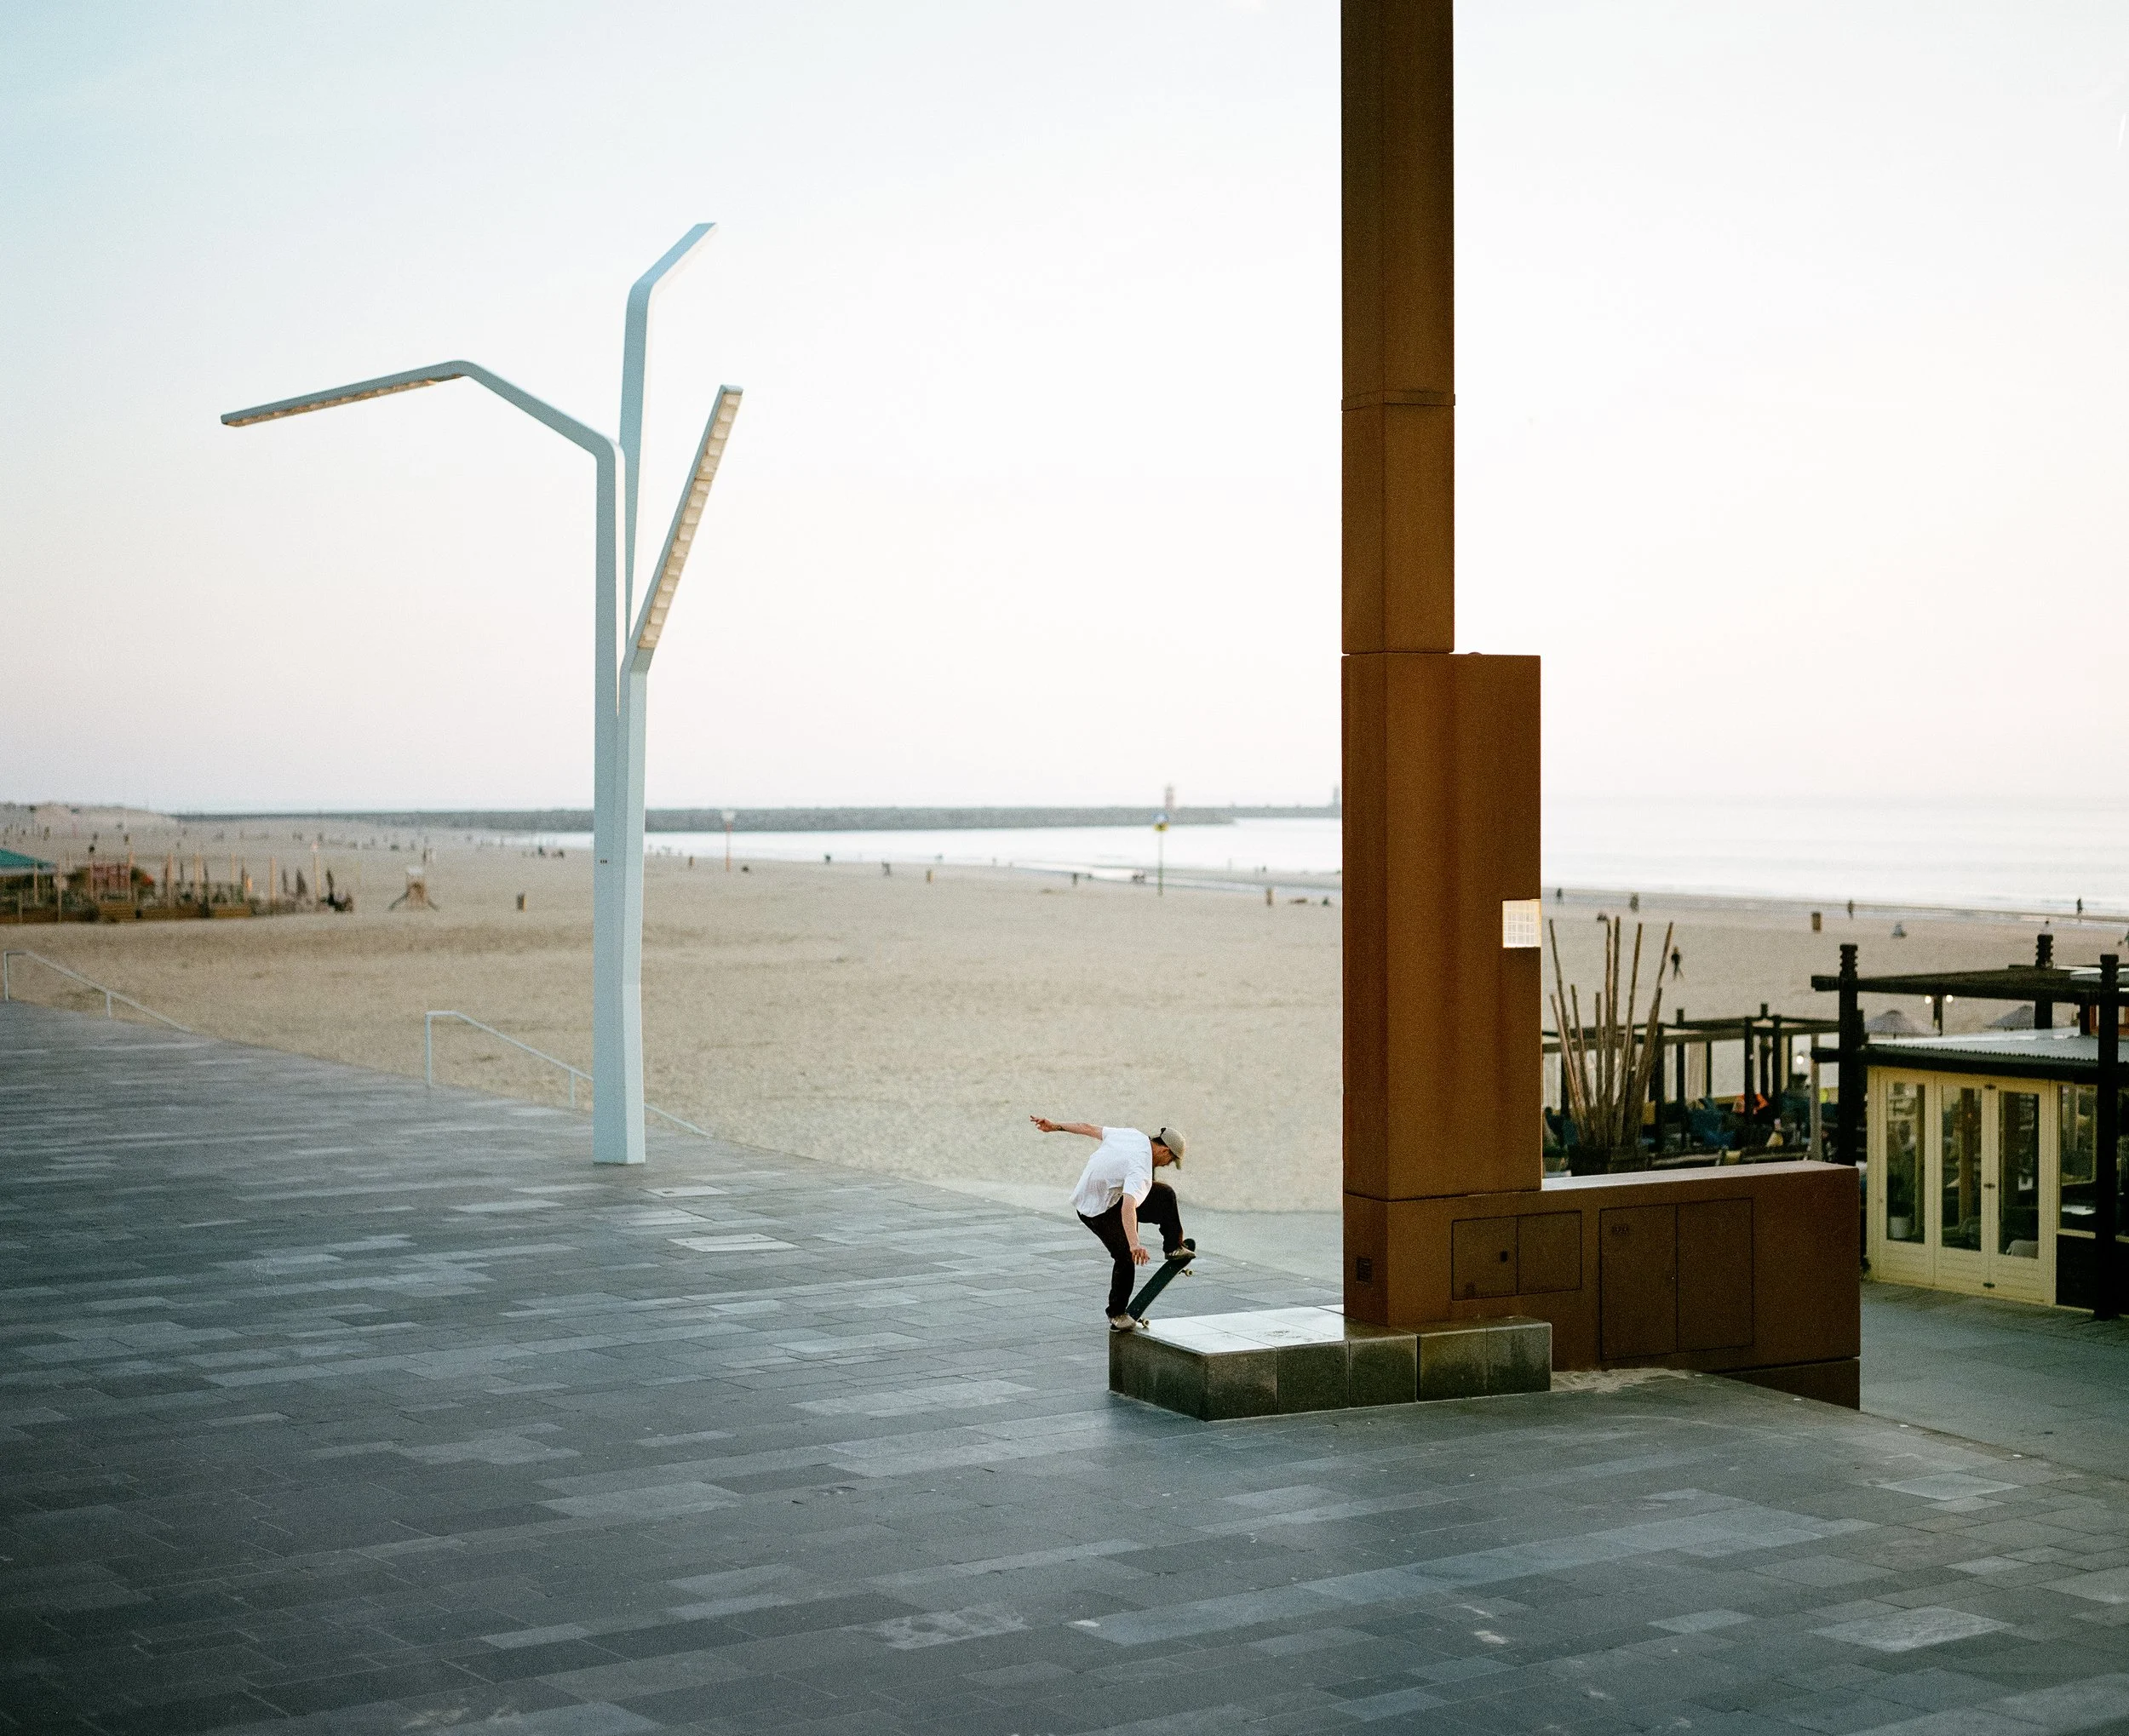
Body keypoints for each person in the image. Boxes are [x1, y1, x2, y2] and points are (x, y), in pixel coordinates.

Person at [1032, 1117, 1191, 1330]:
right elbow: (1128, 1208)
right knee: (1125, 1256)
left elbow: (1087, 1128)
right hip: (1096, 1212)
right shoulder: (1140, 1170)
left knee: (1165, 1195)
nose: (1166, 1165)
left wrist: (1055, 1127)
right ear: (1164, 1151)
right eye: (1170, 1161)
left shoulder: (1132, 1135)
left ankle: (1173, 1247)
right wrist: (1134, 1244)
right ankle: (1116, 1313)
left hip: (1103, 1195)